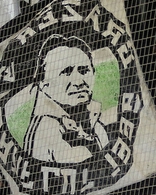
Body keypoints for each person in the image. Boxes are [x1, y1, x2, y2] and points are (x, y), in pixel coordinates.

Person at [24, 36, 108, 164]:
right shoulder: (43, 133)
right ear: (44, 84)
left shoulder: (95, 124)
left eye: (84, 70)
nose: (79, 82)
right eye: (66, 72)